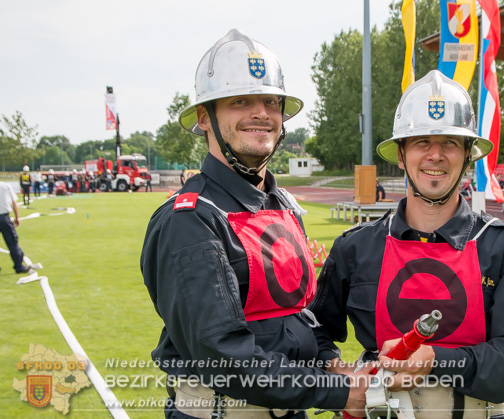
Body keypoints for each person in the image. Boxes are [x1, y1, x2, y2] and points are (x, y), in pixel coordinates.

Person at [140, 29, 371, 419]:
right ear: (205, 118)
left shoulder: (282, 205)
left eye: (271, 102)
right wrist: (336, 392)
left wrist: (331, 360)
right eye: (239, 101)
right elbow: (224, 356)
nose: (260, 113)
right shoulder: (192, 219)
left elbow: (296, 315)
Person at [309, 71, 504, 418]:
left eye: (450, 142)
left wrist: (436, 361)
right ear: (402, 153)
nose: (435, 155)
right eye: (422, 141)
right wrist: (339, 371)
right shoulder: (355, 247)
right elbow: (311, 334)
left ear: (468, 154)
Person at [0, 171, 35, 276]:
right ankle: (18, 266)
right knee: (12, 242)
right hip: (4, 217)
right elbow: (14, 202)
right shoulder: (4, 185)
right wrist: (17, 217)